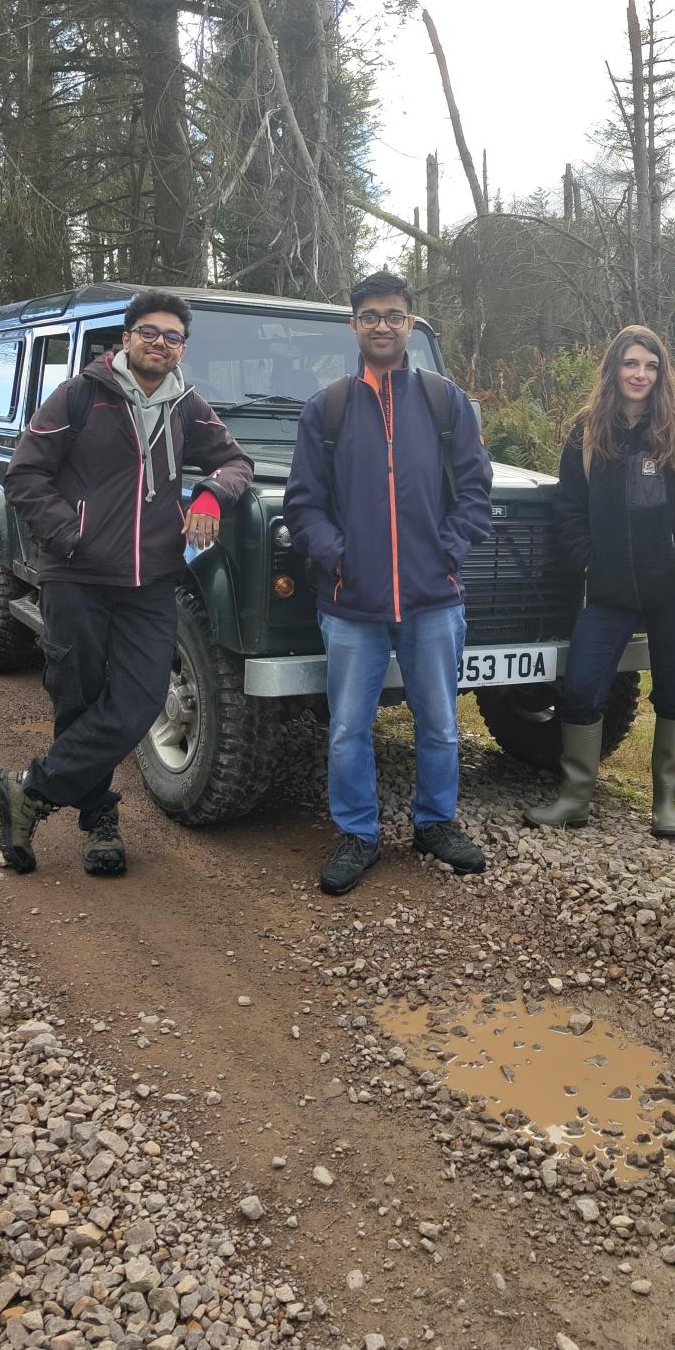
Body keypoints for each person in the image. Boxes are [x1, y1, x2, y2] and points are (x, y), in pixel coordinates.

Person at [0, 289, 253, 877]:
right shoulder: (80, 396)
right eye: (150, 333)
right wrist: (70, 535)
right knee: (78, 698)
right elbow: (25, 474)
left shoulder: (187, 406)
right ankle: (98, 819)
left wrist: (211, 493)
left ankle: (28, 788)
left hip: (151, 579)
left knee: (136, 703)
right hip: (78, 576)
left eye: (173, 336)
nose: (161, 344)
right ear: (128, 337)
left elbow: (236, 462)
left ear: (184, 347)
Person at [284, 270, 493, 896]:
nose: (382, 325)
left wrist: (447, 554)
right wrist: (340, 559)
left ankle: (435, 823)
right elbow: (303, 506)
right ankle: (358, 833)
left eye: (394, 315)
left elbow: (475, 492)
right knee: (348, 727)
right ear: (353, 325)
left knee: (440, 723)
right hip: (352, 604)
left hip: (434, 600)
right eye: (370, 315)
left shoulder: (443, 401)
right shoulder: (328, 408)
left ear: (409, 325)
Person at [526, 326, 675, 841]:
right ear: (614, 368)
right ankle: (574, 797)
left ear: (661, 374)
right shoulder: (586, 431)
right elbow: (568, 509)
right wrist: (591, 563)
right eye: (631, 364)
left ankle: (666, 803)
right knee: (581, 688)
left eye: (651, 366)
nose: (641, 375)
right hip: (608, 589)